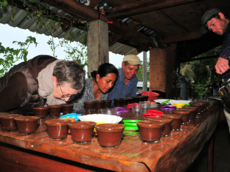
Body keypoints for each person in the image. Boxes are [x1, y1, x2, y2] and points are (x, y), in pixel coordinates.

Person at [0, 55, 85, 115]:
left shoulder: (56, 71)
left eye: (71, 96)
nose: (66, 100)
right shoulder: (22, 83)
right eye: (65, 94)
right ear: (54, 80)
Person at [200, 8, 230, 132]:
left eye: (213, 24)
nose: (213, 29)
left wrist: (227, 56)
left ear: (221, 16)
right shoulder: (225, 38)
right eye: (210, 28)